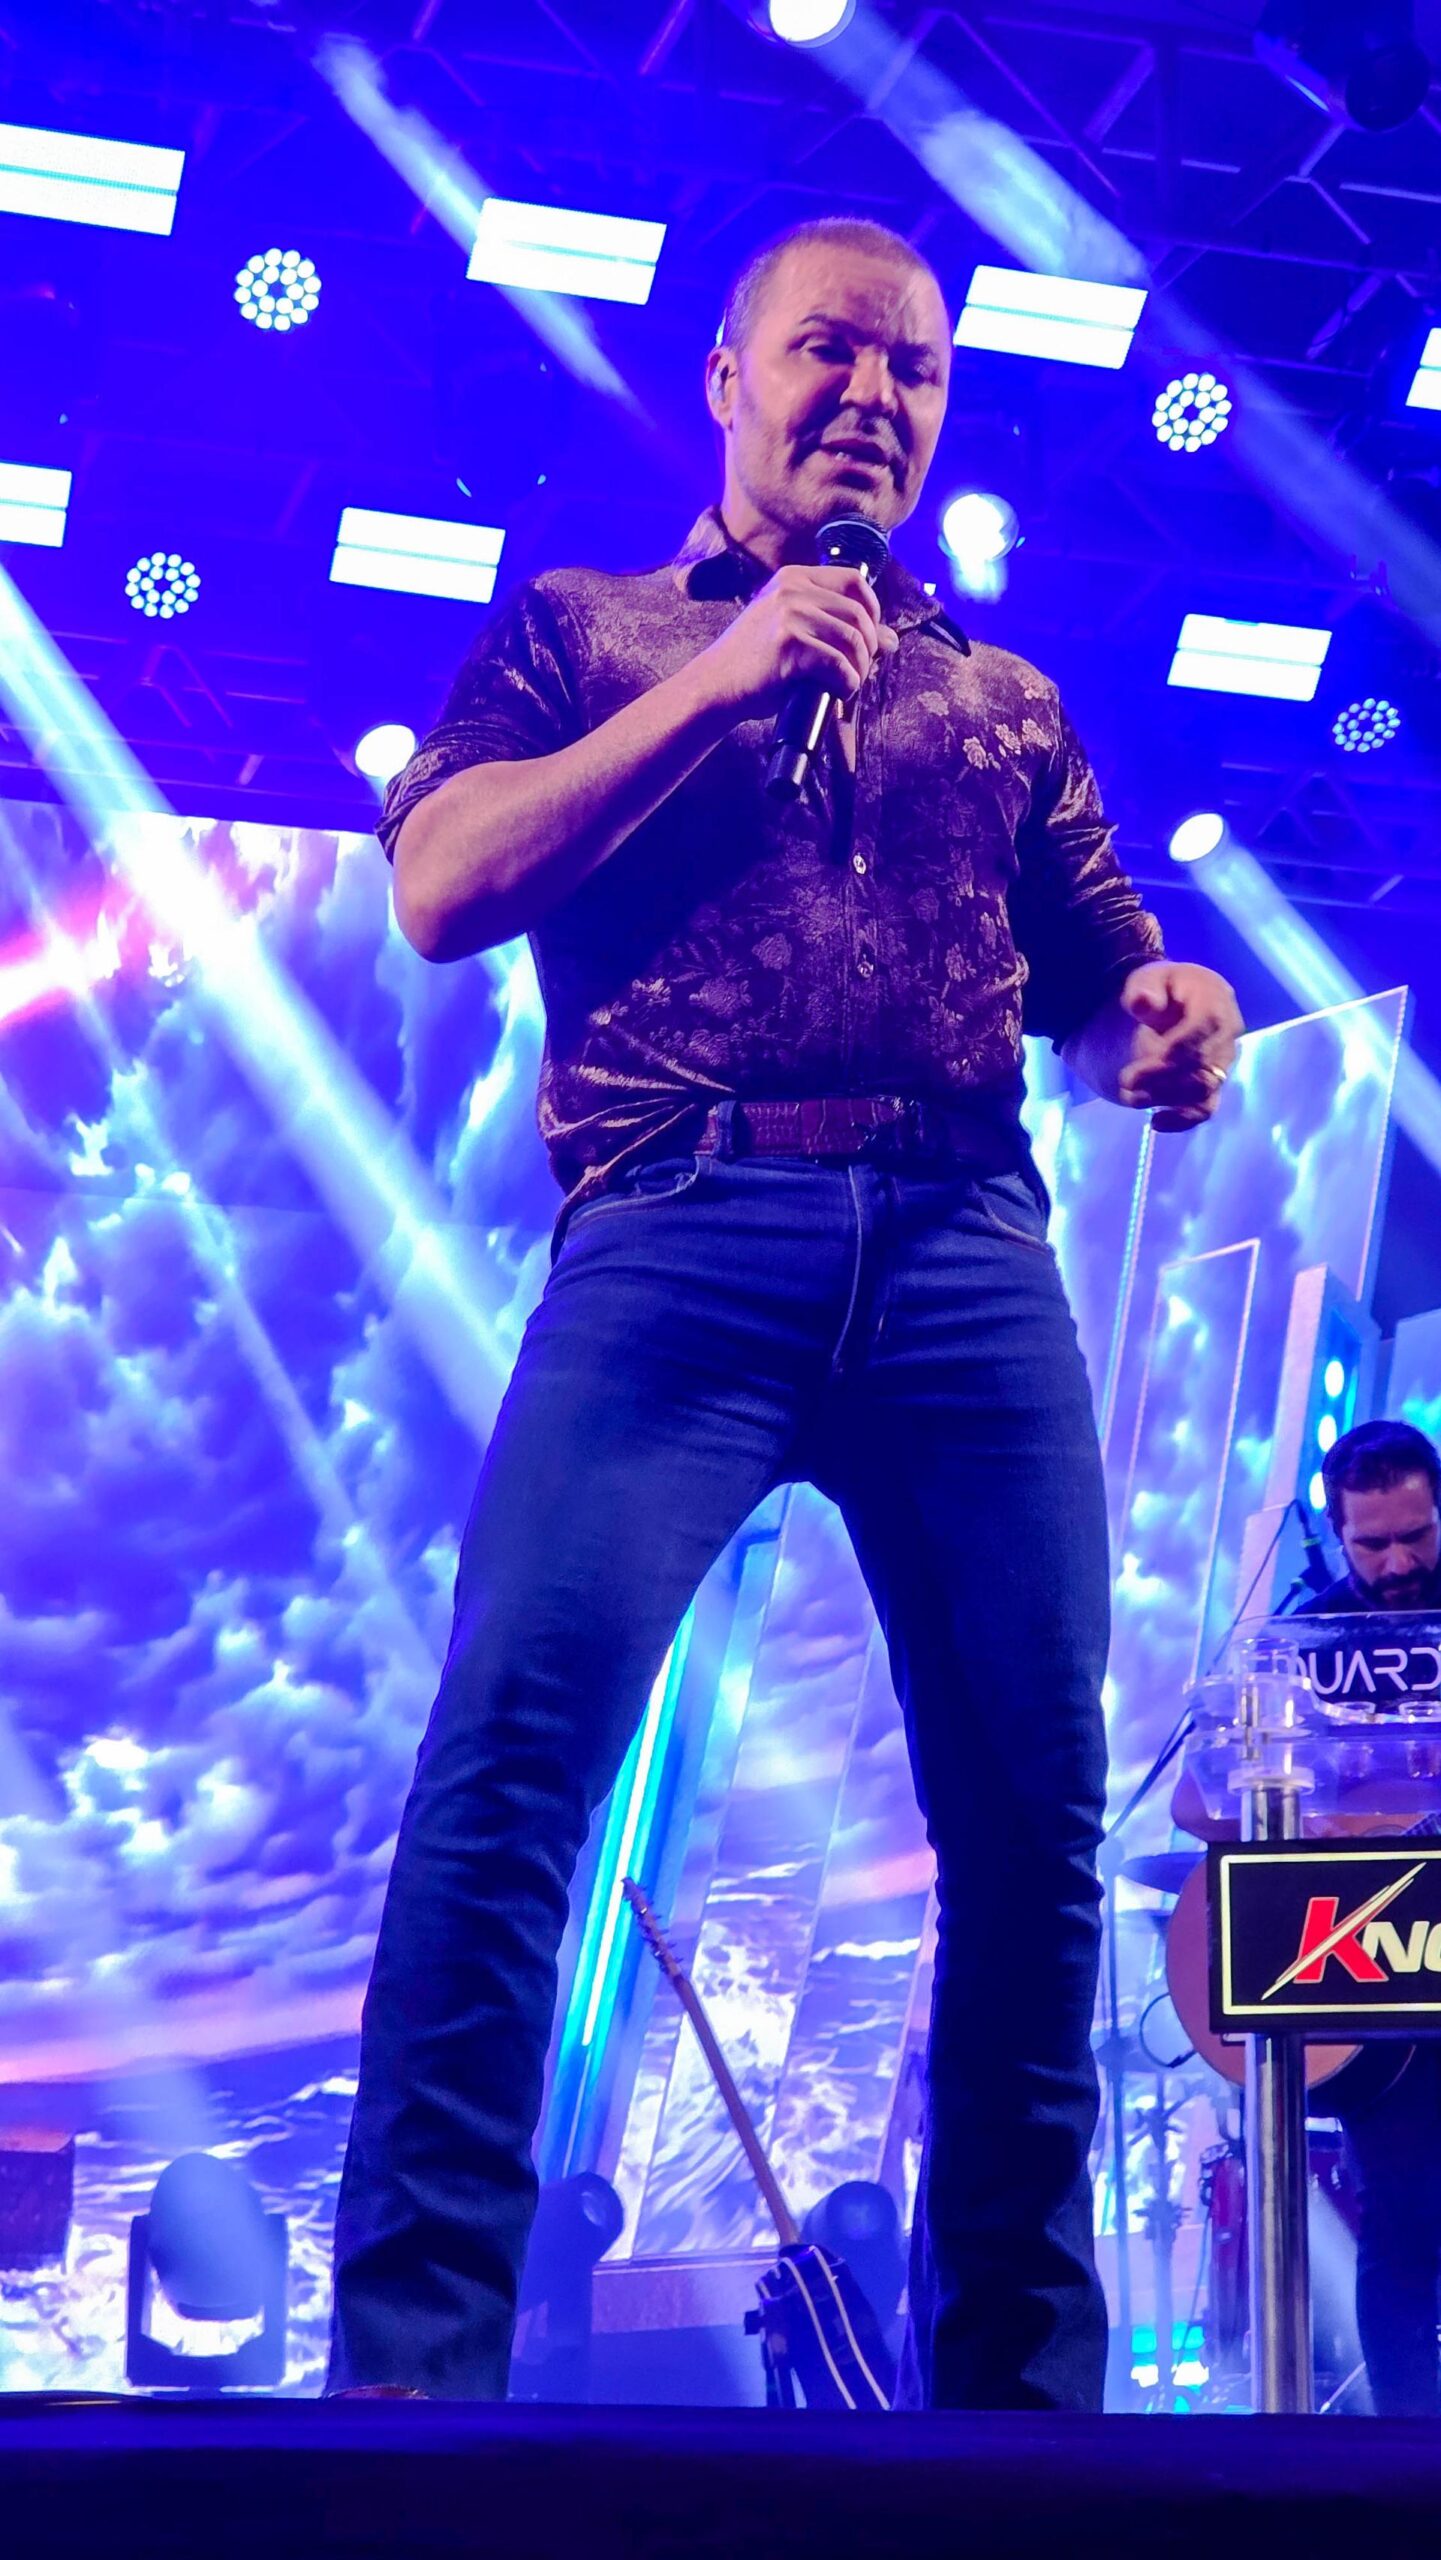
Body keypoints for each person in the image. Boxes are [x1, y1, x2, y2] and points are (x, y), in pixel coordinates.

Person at [327, 214, 1242, 2409]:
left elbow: (1100, 975)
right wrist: (723, 678)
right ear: (728, 377)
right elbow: (440, 884)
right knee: (508, 1772)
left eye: (914, 369)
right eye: (830, 349)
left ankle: (1020, 2405)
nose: (873, 395)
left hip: (963, 1251)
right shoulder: (587, 628)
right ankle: (412, 2386)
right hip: (677, 1226)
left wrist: (1162, 1016)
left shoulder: (1004, 702)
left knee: (1033, 1819)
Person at [1305, 1419, 1441, 2415]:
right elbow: (1198, 1800)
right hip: (1381, 1967)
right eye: (1372, 1544)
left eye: (1416, 1536)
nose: (1397, 1563)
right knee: (1401, 2219)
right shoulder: (1306, 1641)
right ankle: (1406, 2456)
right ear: (1336, 1533)